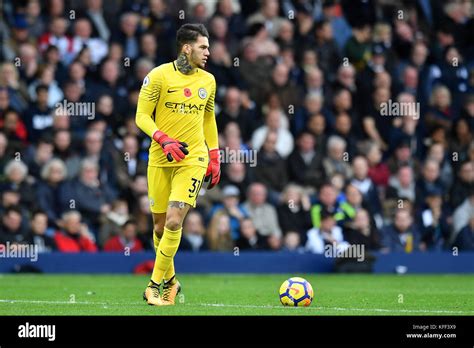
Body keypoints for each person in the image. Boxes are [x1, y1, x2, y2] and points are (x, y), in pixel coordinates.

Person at [135, 24, 220, 306]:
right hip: (160, 159)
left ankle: (153, 285)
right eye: (203, 47)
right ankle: (172, 281)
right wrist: (162, 138)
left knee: (174, 220)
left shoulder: (208, 81)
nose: (208, 52)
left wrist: (214, 154)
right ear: (187, 47)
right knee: (159, 228)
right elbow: (142, 117)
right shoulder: (158, 76)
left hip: (193, 158)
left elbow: (209, 119)